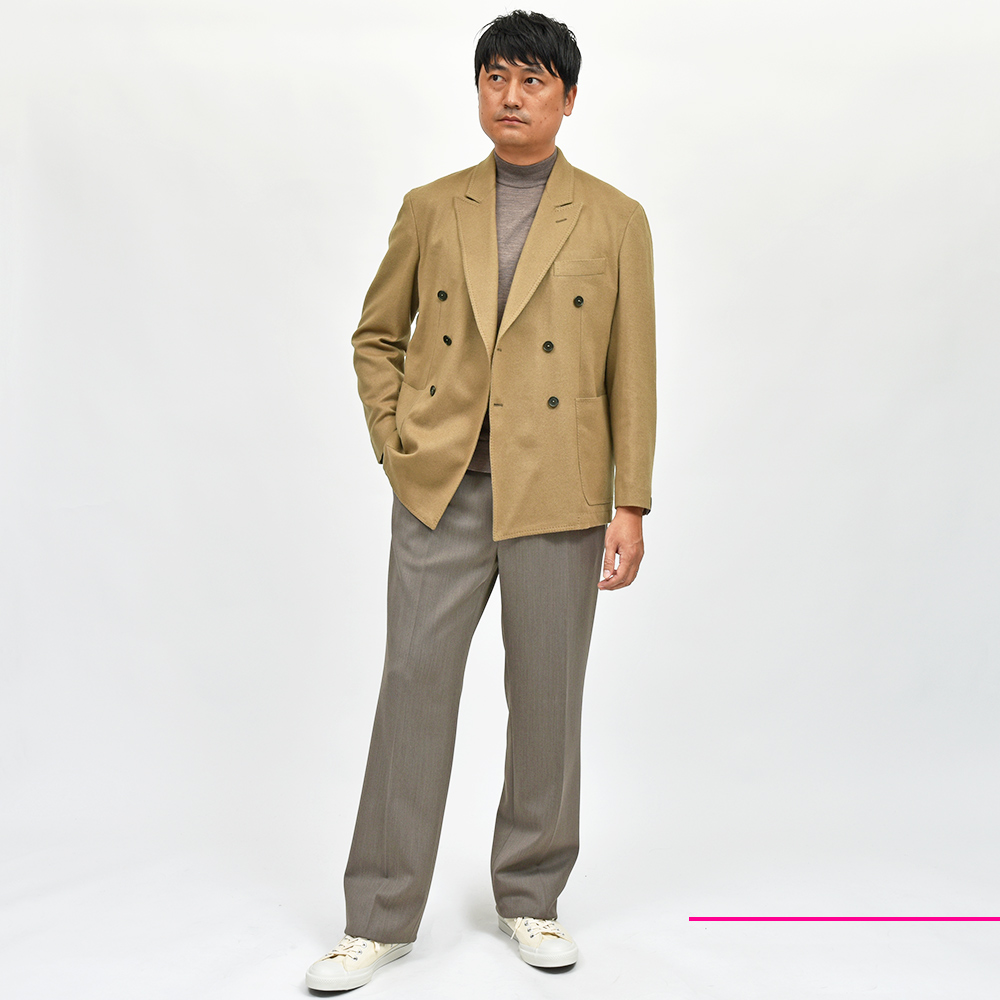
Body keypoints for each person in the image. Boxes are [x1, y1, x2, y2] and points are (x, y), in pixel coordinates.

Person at [305, 9, 655, 991]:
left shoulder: (615, 217)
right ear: (478, 90)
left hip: (561, 492)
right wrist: (401, 445)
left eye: (533, 80)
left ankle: (531, 896)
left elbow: (632, 368)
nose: (511, 95)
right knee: (412, 693)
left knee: (546, 700)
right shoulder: (431, 206)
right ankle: (378, 917)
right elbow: (377, 336)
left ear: (568, 98)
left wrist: (631, 502)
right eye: (496, 76)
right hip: (444, 489)